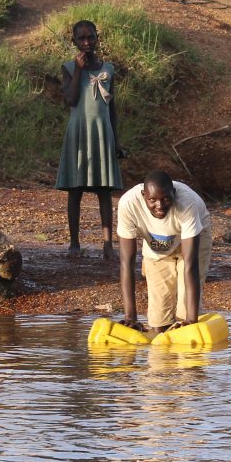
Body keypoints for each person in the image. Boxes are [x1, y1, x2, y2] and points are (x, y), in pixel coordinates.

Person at [56, 19, 124, 259]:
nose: (87, 42)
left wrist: (116, 141)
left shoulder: (108, 69)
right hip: (78, 132)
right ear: (73, 41)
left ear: (97, 38)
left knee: (104, 190)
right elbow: (71, 99)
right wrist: (78, 70)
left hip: (102, 132)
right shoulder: (68, 67)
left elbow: (112, 108)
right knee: (75, 190)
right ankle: (74, 243)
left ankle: (107, 244)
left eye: (91, 37)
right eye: (81, 38)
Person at [118, 170, 211, 332]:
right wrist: (130, 318)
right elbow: (127, 262)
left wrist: (191, 321)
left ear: (174, 193)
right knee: (159, 321)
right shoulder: (128, 204)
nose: (160, 206)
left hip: (194, 236)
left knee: (184, 312)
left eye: (166, 199)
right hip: (156, 243)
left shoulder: (187, 203)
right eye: (152, 200)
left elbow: (190, 264)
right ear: (143, 195)